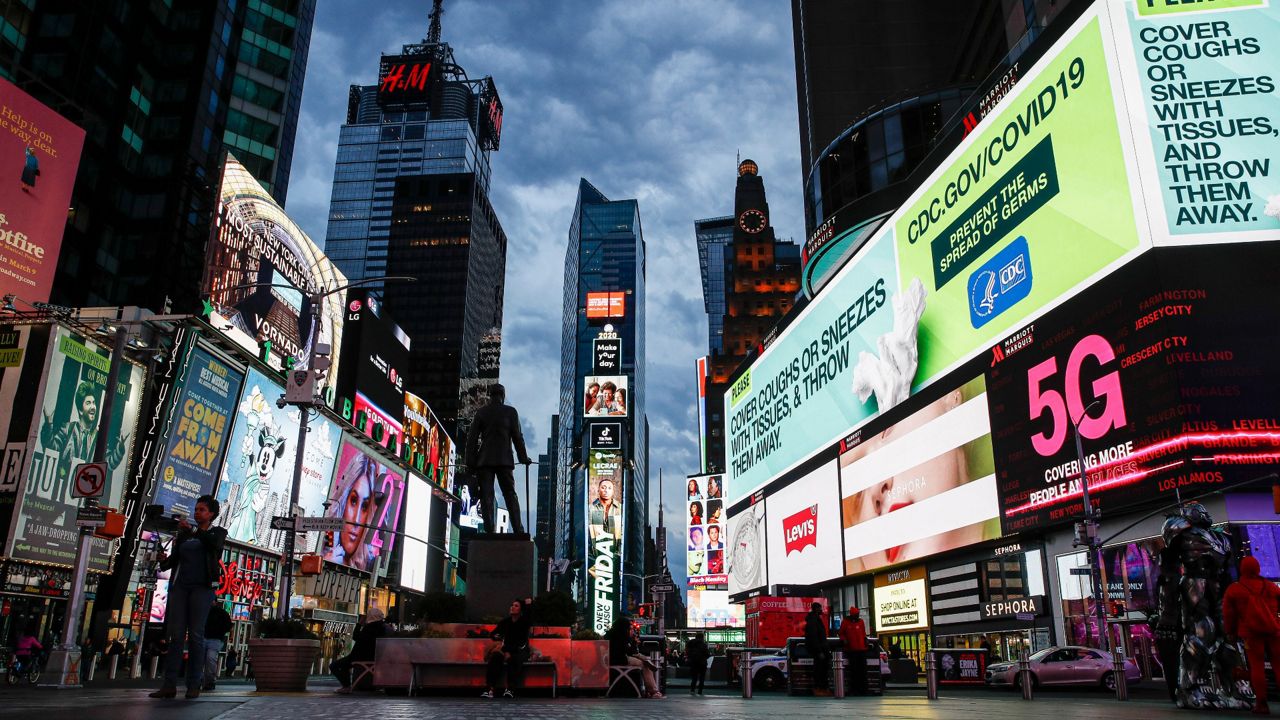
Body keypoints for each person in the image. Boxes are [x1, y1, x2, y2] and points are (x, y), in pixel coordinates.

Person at [150, 495, 227, 700]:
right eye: (196, 509)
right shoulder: (185, 535)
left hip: (202, 588)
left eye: (202, 510)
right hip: (181, 587)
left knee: (195, 635)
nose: (197, 513)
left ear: (211, 514)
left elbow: (213, 545)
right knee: (176, 636)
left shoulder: (217, 533)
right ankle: (169, 685)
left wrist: (193, 530)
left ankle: (194, 684)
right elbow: (173, 561)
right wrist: (163, 561)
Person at [465, 384, 533, 534]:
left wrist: (471, 464)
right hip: (504, 460)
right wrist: (523, 457)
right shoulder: (510, 412)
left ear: (490, 395)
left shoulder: (482, 413)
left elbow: (472, 440)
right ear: (502, 395)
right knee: (510, 494)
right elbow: (517, 437)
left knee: (486, 496)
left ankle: (489, 530)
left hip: (485, 461)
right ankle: (518, 530)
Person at [1224, 555, 1280, 714]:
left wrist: (1231, 633)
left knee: (1257, 667)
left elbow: (1229, 615)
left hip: (1251, 635)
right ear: (1258, 568)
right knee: (1278, 665)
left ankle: (1261, 703)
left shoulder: (1235, 589)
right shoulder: (1270, 586)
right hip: (1274, 631)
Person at [324, 452, 384, 570]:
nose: (356, 520)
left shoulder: (370, 565)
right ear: (344, 500)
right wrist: (325, 565)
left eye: (365, 507)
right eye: (353, 501)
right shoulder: (325, 542)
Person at [482, 598, 533, 698]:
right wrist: (495, 636)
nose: (512, 607)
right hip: (505, 649)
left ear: (521, 610)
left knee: (514, 659)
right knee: (496, 657)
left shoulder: (524, 623)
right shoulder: (505, 622)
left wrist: (528, 605)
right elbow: (493, 633)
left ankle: (510, 689)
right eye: (512, 605)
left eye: (516, 606)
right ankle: (490, 689)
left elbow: (520, 643)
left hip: (519, 650)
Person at [331, 607, 387, 694]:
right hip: (374, 657)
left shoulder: (369, 627)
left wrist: (359, 624)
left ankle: (346, 686)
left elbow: (356, 636)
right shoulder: (383, 628)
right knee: (343, 665)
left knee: (334, 665)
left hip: (359, 657)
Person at [607, 616, 663, 698]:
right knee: (644, 664)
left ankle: (651, 689)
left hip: (615, 658)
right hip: (620, 659)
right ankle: (653, 691)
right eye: (629, 627)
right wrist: (633, 642)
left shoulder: (612, 634)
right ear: (624, 626)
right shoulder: (622, 636)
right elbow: (630, 651)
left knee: (644, 661)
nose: (631, 629)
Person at [202, 599, 232, 691]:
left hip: (213, 638)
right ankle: (207, 681)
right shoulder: (221, 613)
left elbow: (228, 626)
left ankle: (207, 681)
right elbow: (228, 626)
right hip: (213, 638)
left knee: (207, 659)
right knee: (209, 659)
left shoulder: (219, 613)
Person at [839, 606, 869, 696]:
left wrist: (865, 639)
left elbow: (863, 633)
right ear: (852, 615)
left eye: (858, 614)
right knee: (854, 671)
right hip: (852, 650)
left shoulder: (861, 622)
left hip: (861, 649)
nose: (857, 616)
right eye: (856, 615)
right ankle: (855, 689)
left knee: (863, 671)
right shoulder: (846, 622)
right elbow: (841, 633)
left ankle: (863, 689)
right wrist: (844, 639)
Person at [804, 602, 831, 696]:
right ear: (816, 609)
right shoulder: (814, 621)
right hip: (819, 650)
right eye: (820, 608)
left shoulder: (814, 620)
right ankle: (819, 688)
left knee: (820, 669)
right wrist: (819, 651)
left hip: (819, 649)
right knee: (820, 670)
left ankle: (821, 688)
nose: (821, 610)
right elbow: (814, 637)